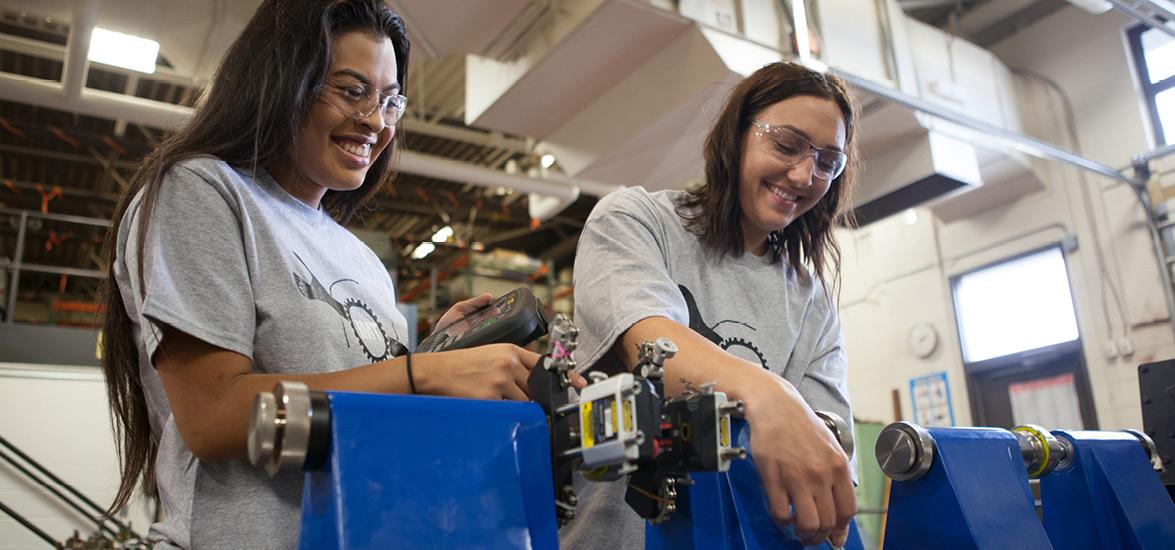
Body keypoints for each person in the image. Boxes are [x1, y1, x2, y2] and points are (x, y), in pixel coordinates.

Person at [98, 1, 543, 547]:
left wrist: (433, 357)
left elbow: (359, 415)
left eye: (389, 101)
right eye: (351, 91)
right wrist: (421, 377)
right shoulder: (203, 192)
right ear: (283, 80)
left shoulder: (363, 263)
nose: (376, 122)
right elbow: (213, 417)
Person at [564, 62, 859, 548]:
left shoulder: (812, 301)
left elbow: (830, 445)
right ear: (735, 136)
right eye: (787, 145)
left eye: (828, 162)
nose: (805, 174)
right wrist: (770, 397)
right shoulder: (635, 220)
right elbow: (650, 345)